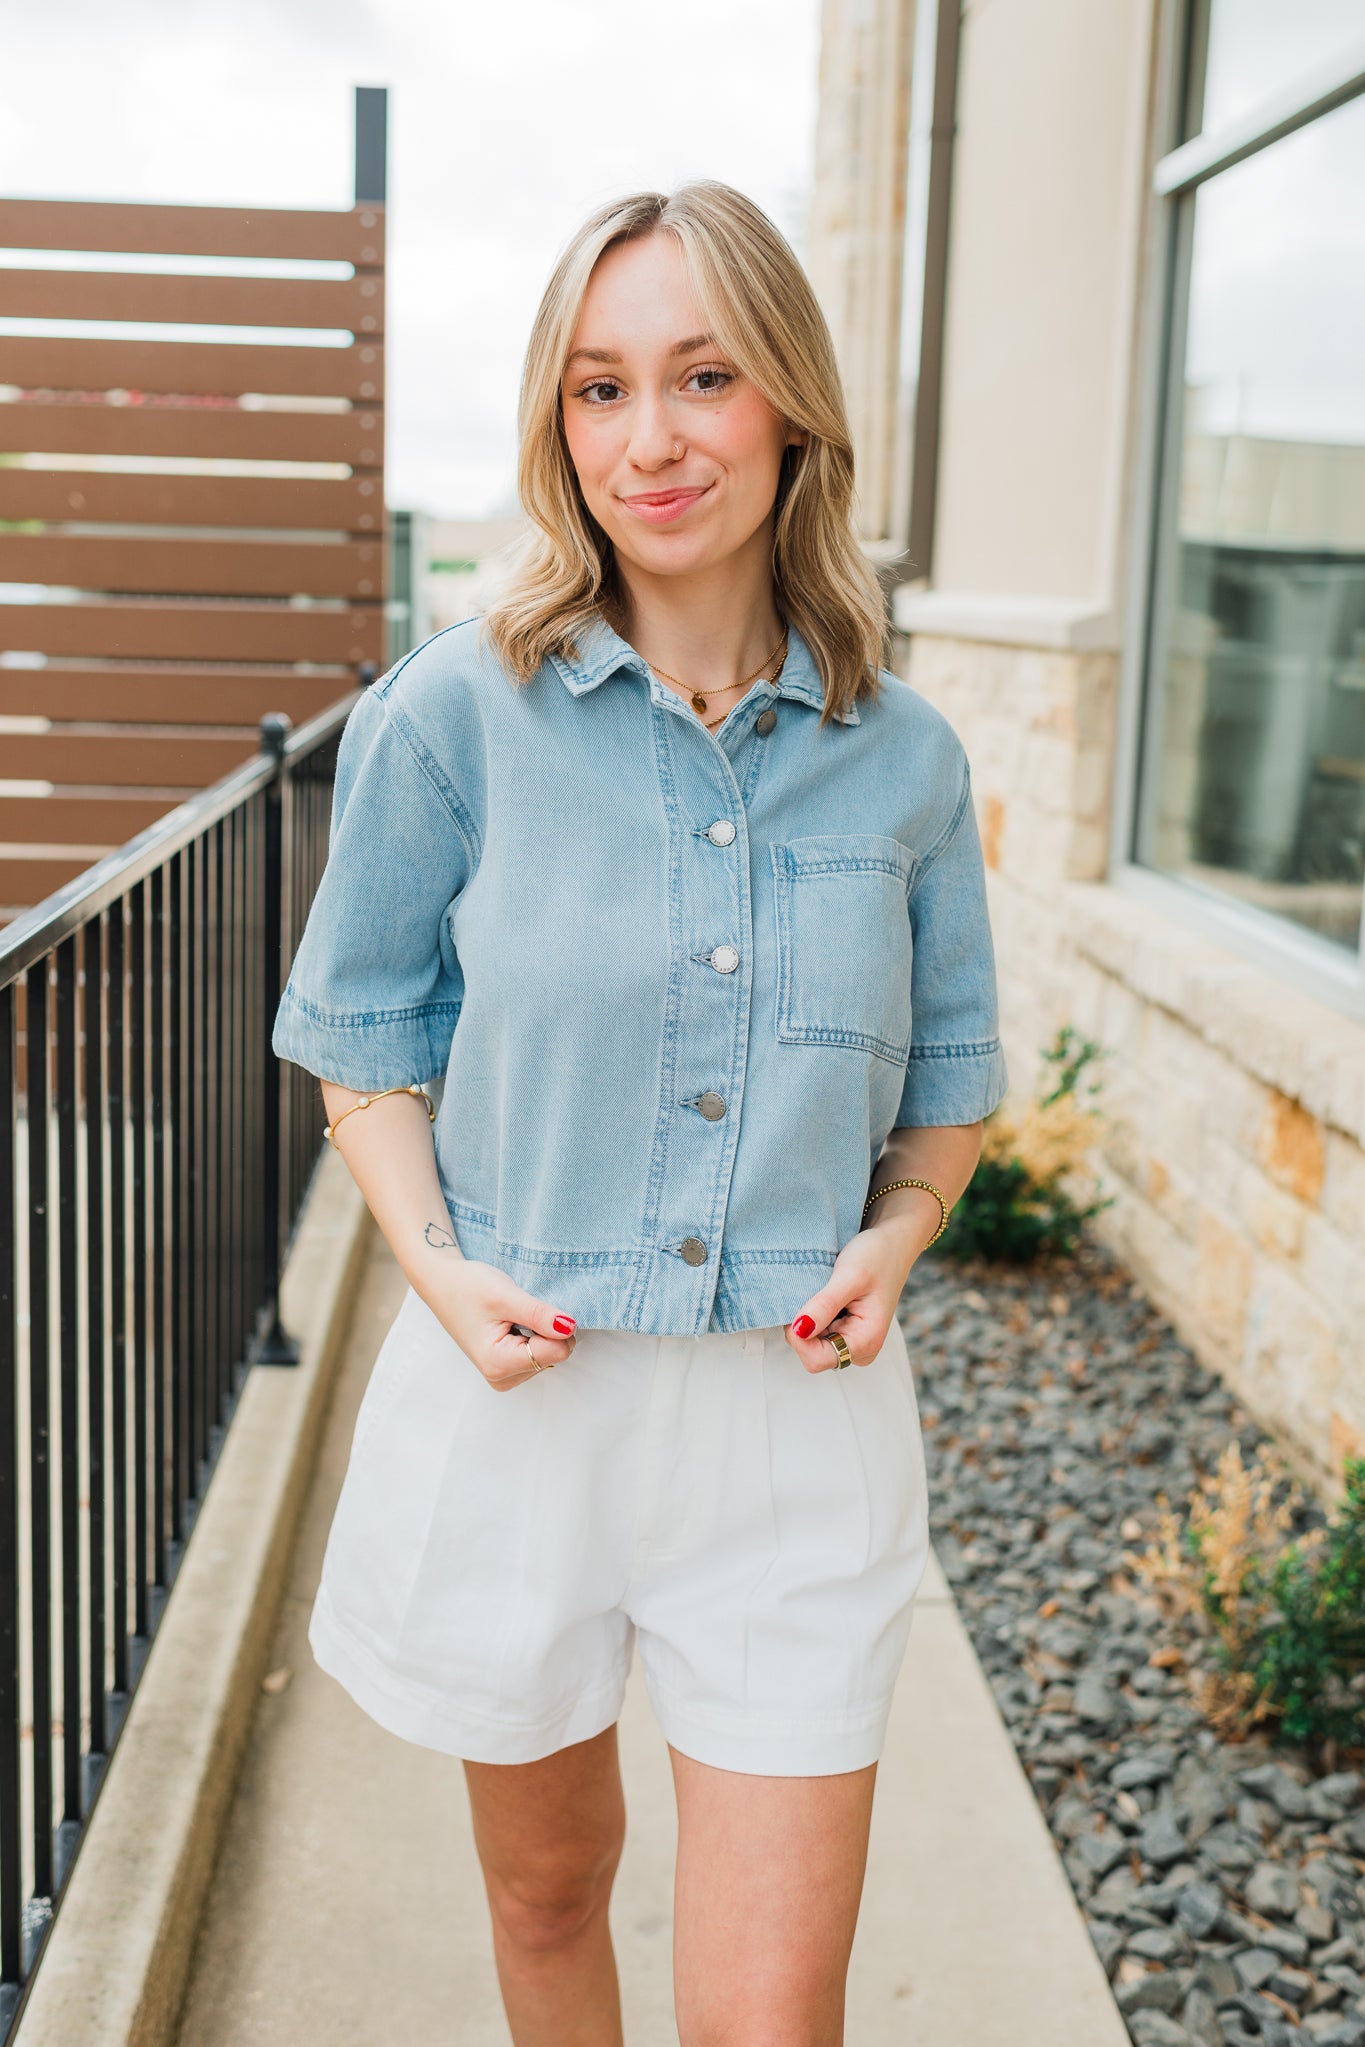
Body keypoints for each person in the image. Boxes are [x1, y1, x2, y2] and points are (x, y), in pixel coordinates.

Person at [272, 179, 1008, 2047]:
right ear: (555, 424)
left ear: (789, 409)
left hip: (796, 1428)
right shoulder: (450, 717)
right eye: (599, 389)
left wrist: (896, 1237)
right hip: (524, 1399)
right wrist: (434, 1271)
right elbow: (362, 1038)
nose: (652, 438)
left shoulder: (903, 757)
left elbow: (945, 1089)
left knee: (769, 2020)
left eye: (701, 375)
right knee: (546, 1901)